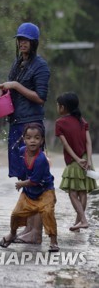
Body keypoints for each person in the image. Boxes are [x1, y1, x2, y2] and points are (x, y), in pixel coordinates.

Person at [0, 22, 50, 244]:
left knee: (35, 177)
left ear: (34, 43)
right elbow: (8, 85)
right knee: (24, 176)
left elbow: (40, 97)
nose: (22, 43)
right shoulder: (18, 63)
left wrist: (15, 85)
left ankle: (36, 232)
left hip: (31, 124)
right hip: (16, 124)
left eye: (26, 40)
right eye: (19, 39)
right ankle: (29, 229)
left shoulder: (40, 66)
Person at [0, 123, 58, 252]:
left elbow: (35, 181)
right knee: (15, 214)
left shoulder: (41, 159)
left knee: (47, 213)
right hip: (29, 192)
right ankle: (12, 233)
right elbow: (22, 170)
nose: (32, 141)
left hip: (45, 191)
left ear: (42, 140)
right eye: (29, 137)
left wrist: (21, 184)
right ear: (24, 139)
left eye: (37, 138)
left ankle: (53, 242)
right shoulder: (21, 152)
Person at [55, 92, 97, 231]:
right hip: (86, 160)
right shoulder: (82, 121)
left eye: (58, 105)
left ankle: (83, 220)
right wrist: (88, 160)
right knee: (82, 192)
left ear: (63, 107)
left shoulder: (59, 123)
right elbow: (88, 142)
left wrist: (77, 160)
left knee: (73, 193)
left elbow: (66, 145)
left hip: (75, 161)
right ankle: (78, 223)